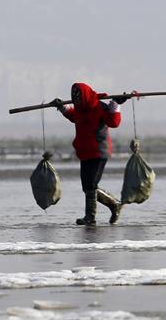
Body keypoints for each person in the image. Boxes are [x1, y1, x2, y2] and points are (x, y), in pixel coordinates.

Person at [51, 82, 129, 225]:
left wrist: (116, 104)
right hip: (85, 152)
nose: (77, 101)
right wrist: (61, 107)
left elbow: (113, 122)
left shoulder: (100, 107)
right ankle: (114, 204)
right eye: (75, 98)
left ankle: (90, 218)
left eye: (79, 97)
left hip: (99, 151)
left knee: (91, 185)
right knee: (87, 186)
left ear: (85, 96)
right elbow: (73, 115)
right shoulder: (80, 109)